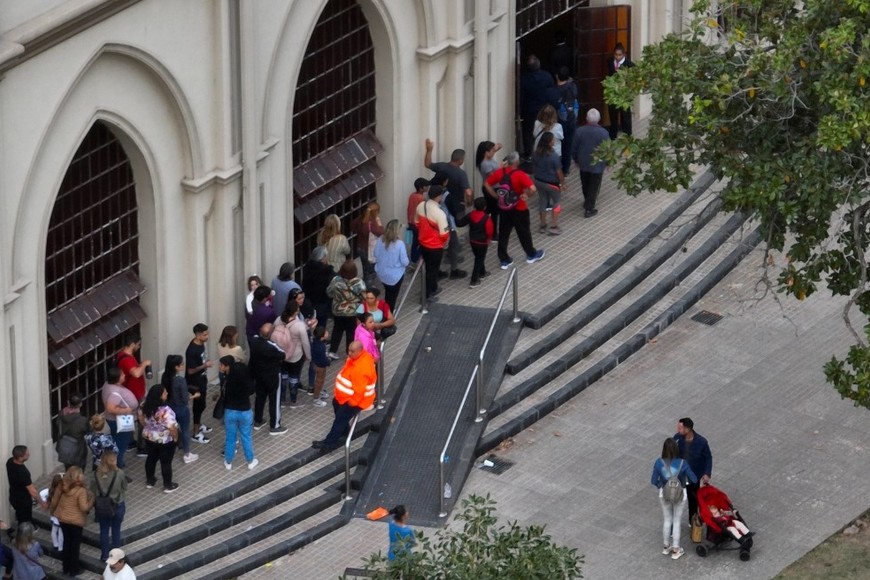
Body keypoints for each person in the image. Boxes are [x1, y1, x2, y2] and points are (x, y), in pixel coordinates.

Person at [483, 151, 546, 269]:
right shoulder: (520, 174)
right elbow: (532, 188)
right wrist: (527, 195)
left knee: (503, 234)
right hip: (519, 208)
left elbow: (487, 183)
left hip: (504, 208)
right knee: (523, 232)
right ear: (516, 162)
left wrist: (496, 196)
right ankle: (531, 254)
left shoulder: (500, 172)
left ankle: (504, 259)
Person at [312, 341, 377, 452]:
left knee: (340, 419)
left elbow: (359, 391)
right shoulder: (358, 358)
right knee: (337, 408)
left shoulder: (360, 368)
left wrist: (352, 403)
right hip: (345, 397)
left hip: (356, 400)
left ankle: (329, 444)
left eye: (352, 351)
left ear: (360, 351)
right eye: (349, 350)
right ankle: (344, 431)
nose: (349, 353)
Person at [424, 139, 470, 279]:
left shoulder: (441, 168)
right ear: (461, 160)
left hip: (434, 221)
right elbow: (467, 192)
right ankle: (453, 269)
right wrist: (469, 202)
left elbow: (427, 164)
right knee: (454, 241)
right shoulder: (460, 176)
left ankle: (445, 264)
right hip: (450, 215)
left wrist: (429, 150)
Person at [651, 438, 697, 560]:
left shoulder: (658, 462)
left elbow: (653, 481)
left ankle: (666, 547)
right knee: (676, 521)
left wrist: (662, 485)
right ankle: (676, 549)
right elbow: (694, 479)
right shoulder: (683, 463)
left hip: (664, 494)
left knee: (667, 519)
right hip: (680, 494)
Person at [50, 466, 95, 576]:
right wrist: (92, 501)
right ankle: (74, 569)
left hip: (63, 519)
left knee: (66, 542)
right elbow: (84, 508)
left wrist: (52, 512)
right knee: (75, 546)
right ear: (78, 477)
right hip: (76, 521)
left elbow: (54, 500)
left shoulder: (61, 486)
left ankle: (66, 568)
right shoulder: (81, 491)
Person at [219, 356, 258, 471]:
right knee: (246, 437)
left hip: (230, 412)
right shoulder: (245, 380)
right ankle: (250, 461)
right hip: (245, 411)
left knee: (230, 437)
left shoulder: (227, 380)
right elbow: (252, 390)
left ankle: (228, 461)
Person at [115, 334, 151, 457]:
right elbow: (135, 374)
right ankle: (141, 447)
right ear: (132, 344)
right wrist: (144, 364)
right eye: (138, 344)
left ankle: (130, 442)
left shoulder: (122, 356)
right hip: (135, 394)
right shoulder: (127, 360)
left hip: (131, 393)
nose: (139, 347)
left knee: (128, 417)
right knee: (142, 418)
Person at [139, 384, 180, 493]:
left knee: (151, 458)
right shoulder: (165, 411)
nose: (167, 393)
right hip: (165, 440)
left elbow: (140, 418)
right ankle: (168, 485)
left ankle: (150, 481)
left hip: (149, 437)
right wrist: (175, 438)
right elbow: (172, 427)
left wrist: (147, 427)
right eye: (165, 392)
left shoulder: (144, 405)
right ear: (159, 396)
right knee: (165, 462)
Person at [571, 108, 610, 218]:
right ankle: (589, 208)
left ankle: (587, 200)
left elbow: (574, 148)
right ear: (599, 119)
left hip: (583, 162)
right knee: (594, 185)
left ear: (587, 119)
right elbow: (608, 149)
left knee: (585, 182)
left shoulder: (580, 131)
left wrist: (576, 160)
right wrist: (608, 162)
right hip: (597, 164)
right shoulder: (603, 133)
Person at [249, 322, 288, 435]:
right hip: (272, 376)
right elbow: (283, 354)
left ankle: (258, 420)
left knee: (260, 397)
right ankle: (275, 425)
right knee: (275, 400)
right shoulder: (271, 347)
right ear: (270, 333)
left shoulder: (254, 341)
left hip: (259, 374)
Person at [271, 302, 310, 409]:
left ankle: (282, 398)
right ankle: (293, 400)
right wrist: (308, 356)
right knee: (294, 377)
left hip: (281, 353)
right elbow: (305, 342)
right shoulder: (299, 325)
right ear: (296, 312)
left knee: (283, 376)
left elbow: (272, 331)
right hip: (295, 355)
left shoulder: (278, 319)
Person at [90, 450, 127, 561]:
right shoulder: (119, 473)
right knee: (116, 529)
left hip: (102, 505)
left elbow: (93, 489)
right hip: (118, 504)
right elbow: (124, 487)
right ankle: (116, 555)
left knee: (104, 530)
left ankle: (104, 555)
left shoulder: (96, 474)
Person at [673, 417, 713, 524]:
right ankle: (674, 522)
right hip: (679, 475)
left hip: (693, 476)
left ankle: (693, 521)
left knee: (693, 500)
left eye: (680, 428)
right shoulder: (677, 439)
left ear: (688, 429)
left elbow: (708, 457)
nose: (678, 430)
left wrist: (706, 473)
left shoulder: (701, 442)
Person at [415, 185, 450, 301]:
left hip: (422, 243)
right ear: (439, 196)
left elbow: (416, 222)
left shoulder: (421, 205)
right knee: (432, 271)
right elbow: (444, 235)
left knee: (428, 269)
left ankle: (433, 288)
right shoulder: (440, 213)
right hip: (435, 247)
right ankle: (427, 295)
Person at [101, 367, 139, 472]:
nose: (124, 376)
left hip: (114, 420)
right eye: (122, 375)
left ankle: (117, 463)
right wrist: (127, 410)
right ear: (116, 378)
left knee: (117, 442)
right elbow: (110, 408)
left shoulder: (108, 385)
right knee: (121, 444)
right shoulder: (114, 392)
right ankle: (117, 468)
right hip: (120, 421)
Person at [163, 354, 199, 464]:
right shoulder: (180, 380)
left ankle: (170, 449)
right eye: (181, 364)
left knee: (170, 429)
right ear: (176, 367)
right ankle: (187, 453)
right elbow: (185, 398)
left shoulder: (165, 377)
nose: (183, 366)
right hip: (181, 409)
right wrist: (194, 396)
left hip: (169, 408)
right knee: (185, 430)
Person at [327, 260, 366, 358]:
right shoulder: (359, 283)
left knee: (337, 330)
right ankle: (349, 353)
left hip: (337, 310)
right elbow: (364, 298)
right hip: (352, 312)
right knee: (350, 332)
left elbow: (329, 293)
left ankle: (332, 351)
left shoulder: (336, 280)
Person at [520, 54, 556, 157]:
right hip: (545, 109)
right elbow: (552, 92)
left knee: (528, 133)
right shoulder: (547, 76)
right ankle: (545, 151)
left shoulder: (524, 79)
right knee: (546, 130)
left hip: (529, 110)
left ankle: (529, 154)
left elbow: (522, 96)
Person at [532, 131, 566, 235]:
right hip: (552, 183)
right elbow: (559, 172)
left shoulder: (535, 153)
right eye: (553, 139)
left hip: (538, 180)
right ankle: (553, 225)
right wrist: (563, 183)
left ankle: (542, 225)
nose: (554, 141)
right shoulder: (554, 156)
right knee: (557, 203)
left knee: (543, 201)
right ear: (549, 142)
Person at [6, 446, 48, 529]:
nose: (29, 454)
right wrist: (42, 503)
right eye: (26, 454)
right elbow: (33, 491)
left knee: (21, 516)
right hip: (23, 501)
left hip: (13, 496)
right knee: (24, 522)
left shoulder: (10, 462)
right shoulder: (23, 472)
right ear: (20, 457)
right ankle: (23, 537)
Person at [456, 197, 494, 288]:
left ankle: (483, 272)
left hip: (473, 241)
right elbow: (489, 231)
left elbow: (460, 223)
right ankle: (474, 280)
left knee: (478, 257)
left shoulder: (471, 215)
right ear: (485, 207)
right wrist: (488, 239)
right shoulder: (486, 218)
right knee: (479, 259)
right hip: (482, 242)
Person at [185, 323, 213, 442]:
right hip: (194, 382)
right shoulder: (192, 350)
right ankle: (196, 433)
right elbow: (190, 371)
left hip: (202, 379)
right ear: (198, 335)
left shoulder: (201, 344)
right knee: (198, 406)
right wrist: (205, 365)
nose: (207, 336)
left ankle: (199, 425)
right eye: (205, 334)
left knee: (202, 405)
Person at [373, 219, 409, 312]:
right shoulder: (399, 244)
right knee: (392, 298)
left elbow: (375, 254)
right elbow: (405, 262)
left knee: (388, 293)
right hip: (395, 276)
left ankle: (387, 309)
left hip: (381, 273)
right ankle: (389, 317)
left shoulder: (380, 239)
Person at [301, 246, 335, 329]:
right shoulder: (326, 271)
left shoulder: (307, 268)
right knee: (321, 323)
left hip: (309, 300)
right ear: (322, 258)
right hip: (322, 301)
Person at [351, 202, 384, 286]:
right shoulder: (371, 224)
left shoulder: (360, 219)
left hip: (359, 247)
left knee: (365, 268)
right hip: (368, 250)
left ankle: (365, 284)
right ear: (375, 212)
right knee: (371, 270)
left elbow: (352, 227)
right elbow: (380, 233)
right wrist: (379, 224)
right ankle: (369, 287)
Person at [606, 42, 635, 139]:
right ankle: (613, 135)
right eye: (616, 55)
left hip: (624, 94)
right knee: (613, 114)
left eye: (619, 55)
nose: (617, 57)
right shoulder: (610, 61)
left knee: (625, 114)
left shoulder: (629, 65)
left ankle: (627, 135)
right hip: (613, 93)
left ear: (623, 54)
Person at [474, 141, 503, 234]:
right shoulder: (485, 164)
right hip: (490, 189)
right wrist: (502, 168)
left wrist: (496, 148)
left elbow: (498, 147)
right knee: (494, 212)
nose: (494, 152)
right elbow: (493, 178)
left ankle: (481, 225)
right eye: (492, 151)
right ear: (486, 152)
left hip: (494, 187)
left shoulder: (489, 159)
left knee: (490, 209)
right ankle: (493, 233)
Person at [555, 66, 579, 175]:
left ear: (557, 76)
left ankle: (558, 167)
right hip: (572, 119)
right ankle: (566, 168)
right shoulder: (572, 87)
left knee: (558, 144)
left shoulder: (556, 91)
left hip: (560, 121)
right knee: (568, 145)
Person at [56, 393, 89, 470]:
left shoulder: (61, 414)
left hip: (65, 448)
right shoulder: (82, 420)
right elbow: (89, 430)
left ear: (68, 402)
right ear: (80, 404)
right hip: (78, 451)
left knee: (68, 469)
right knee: (78, 471)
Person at [405, 178, 429, 266]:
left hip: (411, 223)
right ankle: (417, 260)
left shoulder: (412, 195)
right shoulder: (421, 199)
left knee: (415, 243)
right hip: (418, 224)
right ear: (421, 188)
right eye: (426, 186)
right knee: (420, 243)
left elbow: (409, 208)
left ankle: (413, 261)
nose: (427, 187)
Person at [40, 474, 64, 551]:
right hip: (61, 515)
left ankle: (55, 544)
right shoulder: (61, 493)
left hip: (53, 515)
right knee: (61, 532)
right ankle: (60, 547)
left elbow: (41, 494)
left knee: (54, 530)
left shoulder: (49, 491)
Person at [310, 327, 332, 408]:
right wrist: (328, 362)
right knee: (319, 382)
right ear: (322, 336)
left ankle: (319, 392)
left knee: (319, 381)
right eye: (325, 333)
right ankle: (316, 398)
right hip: (320, 367)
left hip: (315, 364)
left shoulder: (315, 343)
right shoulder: (321, 346)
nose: (327, 333)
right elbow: (323, 359)